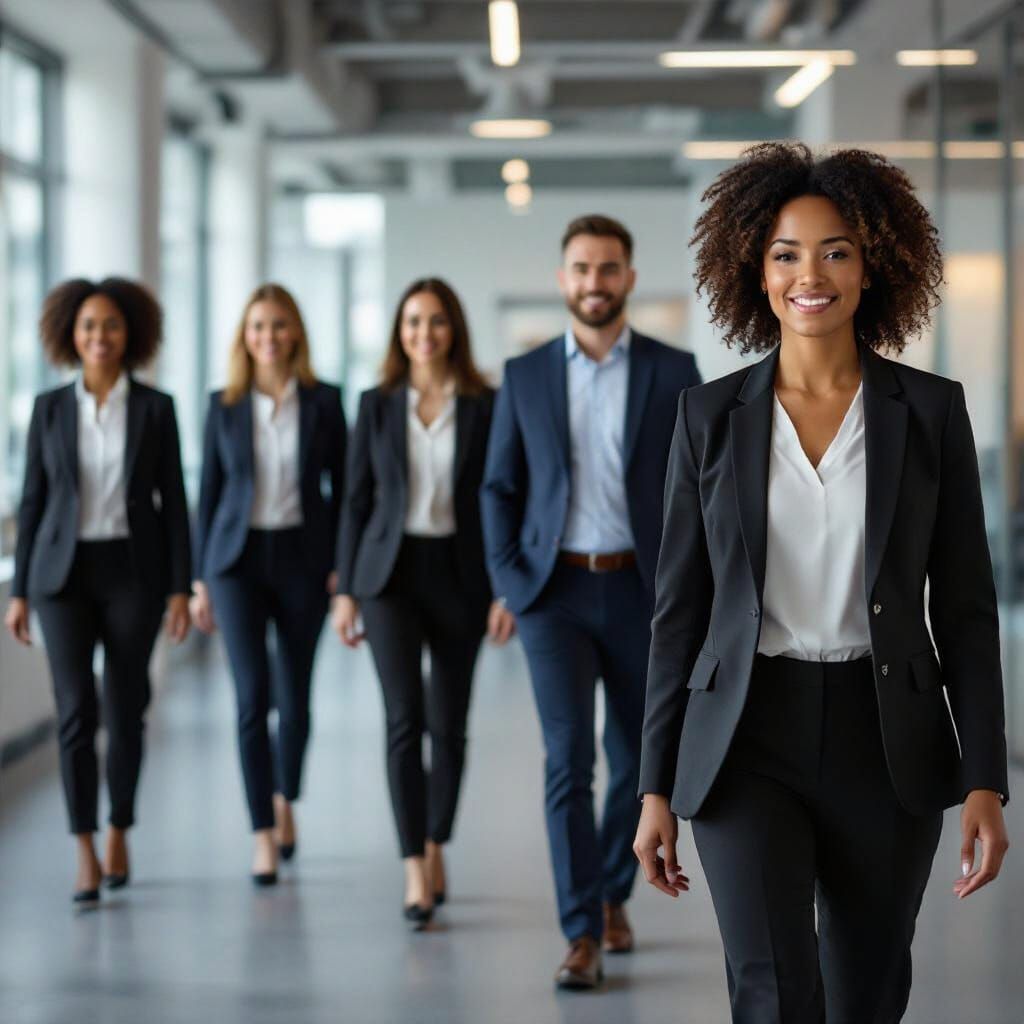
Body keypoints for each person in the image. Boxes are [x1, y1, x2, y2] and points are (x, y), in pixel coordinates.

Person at [634, 143, 1011, 1024]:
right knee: (770, 989)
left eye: (836, 250)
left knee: (869, 990)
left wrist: (985, 775)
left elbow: (964, 608)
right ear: (754, 272)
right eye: (786, 253)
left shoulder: (929, 412)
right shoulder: (707, 418)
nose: (813, 274)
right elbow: (677, 614)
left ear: (873, 264)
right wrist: (654, 786)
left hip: (888, 740)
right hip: (744, 737)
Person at [481, 215, 702, 988]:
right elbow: (499, 485)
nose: (595, 282)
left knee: (639, 762)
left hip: (645, 595)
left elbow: (698, 491)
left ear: (630, 278)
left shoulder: (676, 372)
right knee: (567, 761)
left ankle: (612, 893)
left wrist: (693, 590)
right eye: (581, 268)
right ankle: (580, 930)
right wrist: (512, 582)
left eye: (609, 268)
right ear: (562, 278)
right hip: (556, 595)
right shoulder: (526, 374)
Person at [332, 278, 515, 931]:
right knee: (403, 720)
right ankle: (414, 862)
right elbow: (354, 501)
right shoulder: (376, 404)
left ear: (453, 330)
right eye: (412, 322)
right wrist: (347, 589)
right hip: (390, 576)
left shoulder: (486, 404)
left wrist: (504, 588)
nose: (424, 333)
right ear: (398, 332)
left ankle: (438, 840)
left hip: (461, 576)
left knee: (450, 724)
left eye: (436, 321)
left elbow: (503, 498)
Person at [4, 277, 192, 907]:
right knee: (75, 711)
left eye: (110, 325)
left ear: (129, 333)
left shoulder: (156, 408)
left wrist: (179, 589)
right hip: (62, 577)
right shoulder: (49, 408)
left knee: (126, 707)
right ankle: (83, 841)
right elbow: (33, 501)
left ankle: (120, 826)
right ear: (69, 335)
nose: (99, 337)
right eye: (88, 326)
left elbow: (174, 506)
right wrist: (21, 590)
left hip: (133, 572)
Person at [190, 283, 346, 886]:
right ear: (244, 336)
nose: (269, 336)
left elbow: (344, 488)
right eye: (258, 326)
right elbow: (206, 494)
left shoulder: (324, 401)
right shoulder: (223, 404)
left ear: (296, 333)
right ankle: (261, 829)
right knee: (252, 697)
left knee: (295, 699)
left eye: (279, 325)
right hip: (237, 561)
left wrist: (341, 565)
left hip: (304, 560)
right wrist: (200, 578)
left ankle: (286, 799)